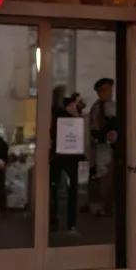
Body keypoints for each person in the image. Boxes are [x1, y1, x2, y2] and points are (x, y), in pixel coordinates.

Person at [51, 88, 82, 235]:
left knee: (64, 189)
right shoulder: (59, 115)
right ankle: (60, 222)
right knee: (57, 189)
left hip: (65, 156)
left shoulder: (61, 115)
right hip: (62, 156)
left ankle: (63, 223)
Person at [89, 77, 119, 217]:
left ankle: (108, 205)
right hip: (101, 147)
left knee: (109, 176)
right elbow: (95, 128)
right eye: (107, 90)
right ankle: (103, 205)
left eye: (110, 89)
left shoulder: (112, 105)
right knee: (103, 175)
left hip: (111, 147)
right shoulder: (97, 108)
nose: (110, 92)